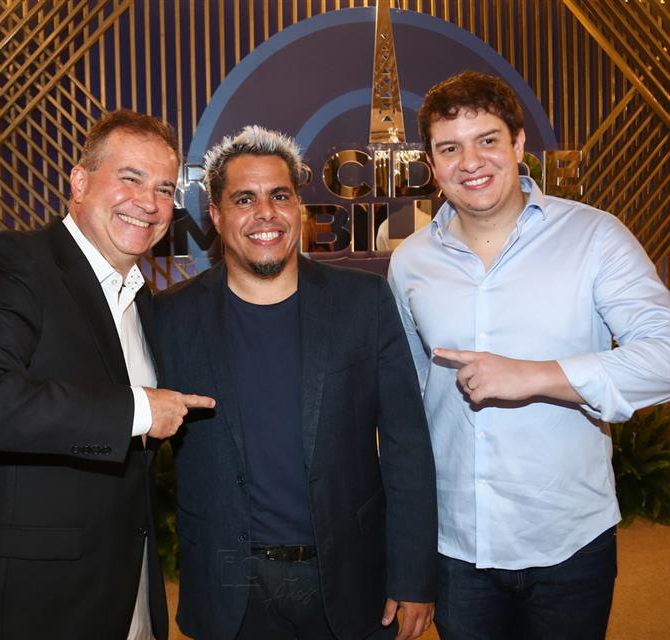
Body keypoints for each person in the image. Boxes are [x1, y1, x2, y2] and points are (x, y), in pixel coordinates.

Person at [0, 110, 215, 640]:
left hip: (125, 587)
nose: (149, 202)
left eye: (165, 189)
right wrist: (138, 410)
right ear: (79, 181)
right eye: (131, 178)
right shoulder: (18, 262)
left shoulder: (141, 299)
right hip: (26, 601)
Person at [388, 70, 670, 640]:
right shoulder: (410, 261)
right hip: (458, 545)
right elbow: (410, 398)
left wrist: (537, 376)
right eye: (450, 148)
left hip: (570, 540)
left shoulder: (595, 237)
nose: (471, 162)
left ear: (518, 144)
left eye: (487, 140)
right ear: (432, 164)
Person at [155, 126, 437, 640]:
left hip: (350, 579)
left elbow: (407, 445)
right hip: (229, 583)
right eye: (244, 199)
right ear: (216, 216)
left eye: (280, 196)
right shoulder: (170, 318)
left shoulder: (364, 302)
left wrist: (414, 574)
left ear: (299, 208)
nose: (266, 213)